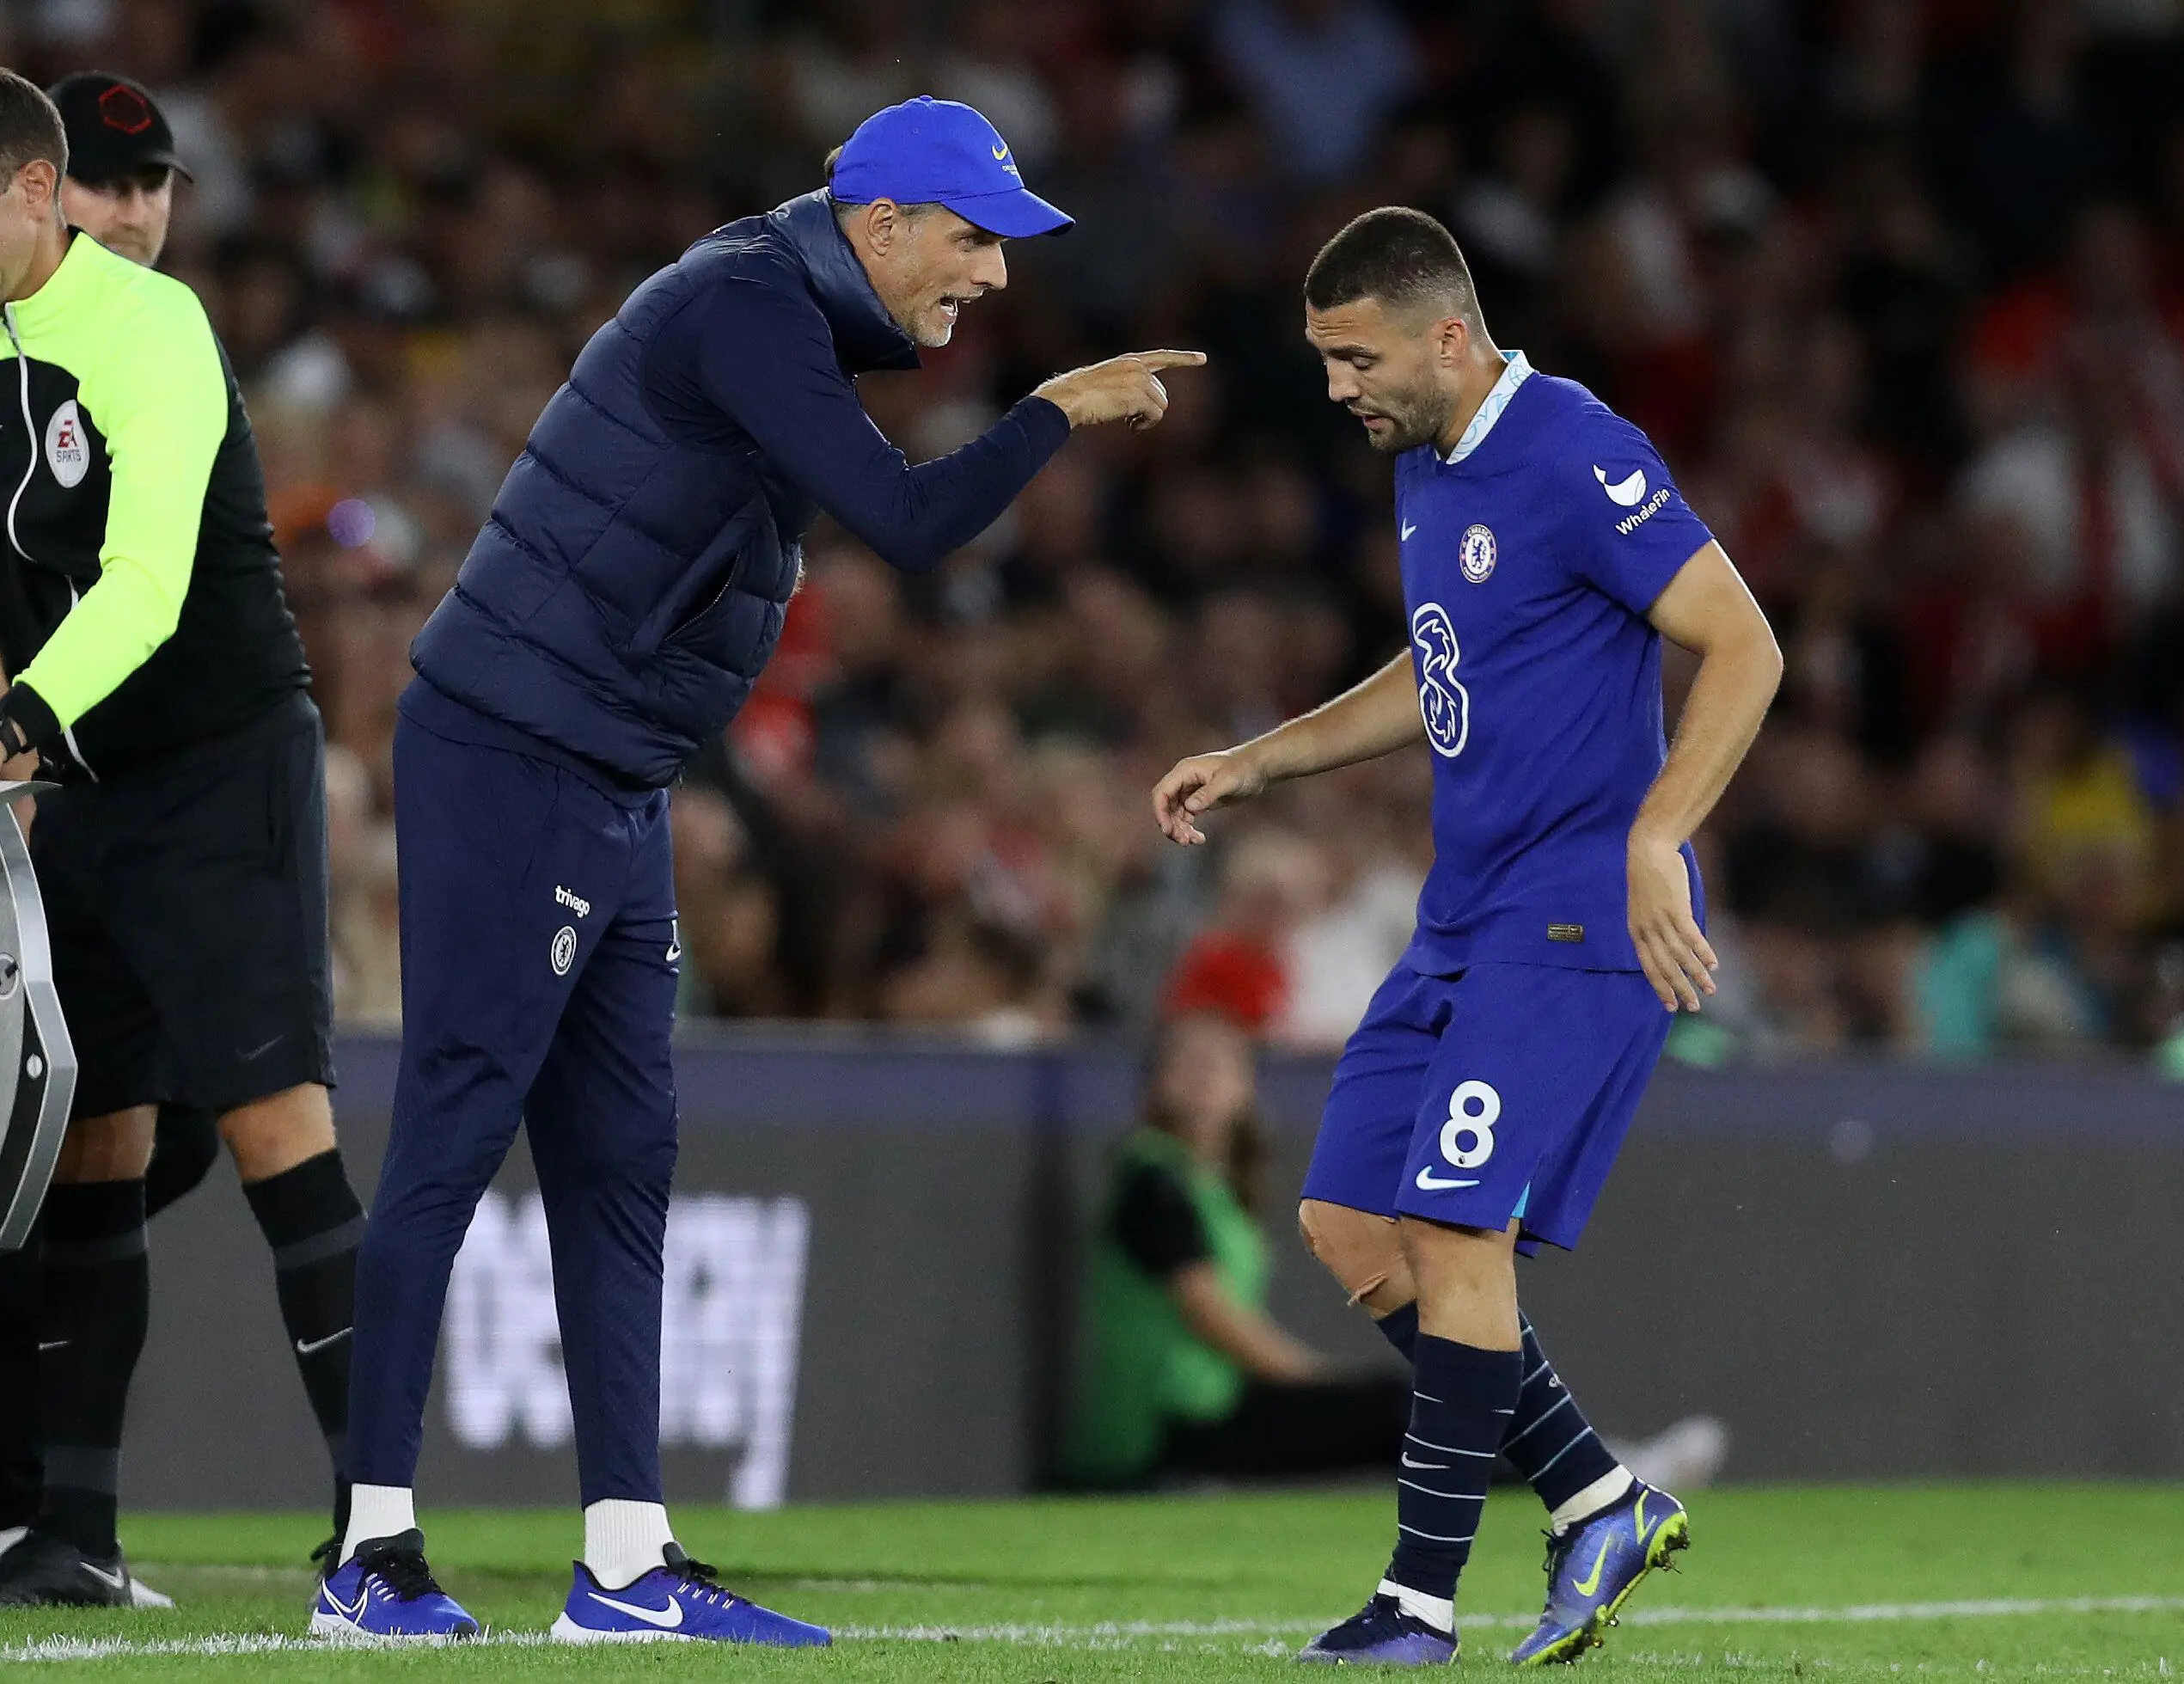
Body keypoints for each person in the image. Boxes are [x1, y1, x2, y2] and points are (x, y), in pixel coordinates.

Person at [320, 95, 1202, 1646]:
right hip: (514, 751)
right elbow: (908, 520)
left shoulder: (780, 307)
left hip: (615, 775)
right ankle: (368, 1551)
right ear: (877, 222)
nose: (993, 277)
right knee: (457, 1121)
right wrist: (1057, 409)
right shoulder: (744, 302)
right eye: (974, 236)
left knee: (623, 1163)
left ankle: (625, 1559)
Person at [1151, 207, 1782, 1667]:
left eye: (1352, 355)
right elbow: (1441, 665)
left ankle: (1416, 1606)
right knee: (1348, 1218)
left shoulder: (1570, 447)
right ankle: (1596, 1489)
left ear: (1449, 335)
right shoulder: (1432, 468)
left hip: (1569, 913)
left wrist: (1654, 837)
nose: (1334, 386)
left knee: (1454, 1224)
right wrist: (1265, 756)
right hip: (1465, 910)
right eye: (1322, 359)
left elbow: (1743, 638)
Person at [0, 70, 356, 1607]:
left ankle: (381, 1519)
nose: (138, 212)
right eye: (115, 182)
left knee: (278, 1128)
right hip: (71, 782)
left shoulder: (152, 332)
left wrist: (19, 708)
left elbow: (140, 583)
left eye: (158, 188)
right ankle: (70, 1531)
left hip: (211, 768)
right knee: (92, 1143)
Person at [1065, 1012, 1410, 1488]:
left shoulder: (1213, 1187)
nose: (1205, 1077)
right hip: (1167, 1423)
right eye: (1188, 1064)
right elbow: (1207, 1310)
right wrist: (1310, 1379)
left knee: (1404, 1408)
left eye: (1221, 1064)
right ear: (1157, 1083)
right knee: (1398, 1409)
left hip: (1215, 1401)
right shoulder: (1153, 1178)